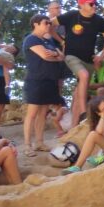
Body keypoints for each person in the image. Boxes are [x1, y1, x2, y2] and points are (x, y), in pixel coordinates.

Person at [53, 0, 104, 124]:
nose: (94, 6)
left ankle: (75, 127)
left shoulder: (98, 20)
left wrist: (101, 56)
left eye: (95, 3)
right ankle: (85, 114)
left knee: (79, 92)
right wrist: (62, 41)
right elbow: (51, 25)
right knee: (84, 76)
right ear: (81, 5)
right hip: (71, 56)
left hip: (88, 59)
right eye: (91, 4)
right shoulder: (71, 15)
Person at [21, 14, 66, 156]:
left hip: (49, 80)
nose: (48, 25)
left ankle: (39, 142)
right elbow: (45, 56)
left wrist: (54, 54)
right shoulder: (31, 39)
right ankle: (27, 145)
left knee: (43, 113)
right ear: (36, 24)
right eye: (46, 23)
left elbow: (61, 57)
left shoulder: (48, 41)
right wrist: (54, 55)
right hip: (36, 81)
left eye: (49, 23)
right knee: (32, 113)